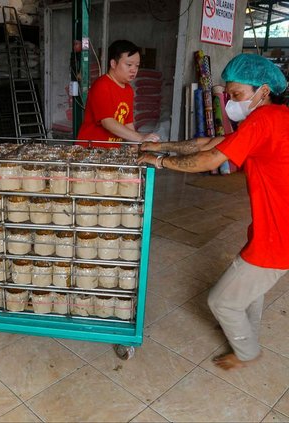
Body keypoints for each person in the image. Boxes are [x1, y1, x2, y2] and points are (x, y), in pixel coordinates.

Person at [138, 53, 289, 371]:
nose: (231, 103)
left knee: (221, 301)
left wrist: (161, 162)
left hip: (279, 237)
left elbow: (209, 159)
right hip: (273, 226)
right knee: (251, 288)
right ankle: (243, 325)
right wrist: (161, 147)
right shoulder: (275, 117)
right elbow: (208, 142)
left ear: (262, 90)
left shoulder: (263, 120)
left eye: (237, 95)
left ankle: (246, 351)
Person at [76, 39, 159, 148]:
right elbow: (108, 122)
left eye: (137, 66)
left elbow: (128, 124)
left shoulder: (128, 90)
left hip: (111, 153)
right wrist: (140, 138)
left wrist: (138, 149)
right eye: (129, 65)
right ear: (113, 63)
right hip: (89, 151)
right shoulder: (102, 85)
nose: (133, 70)